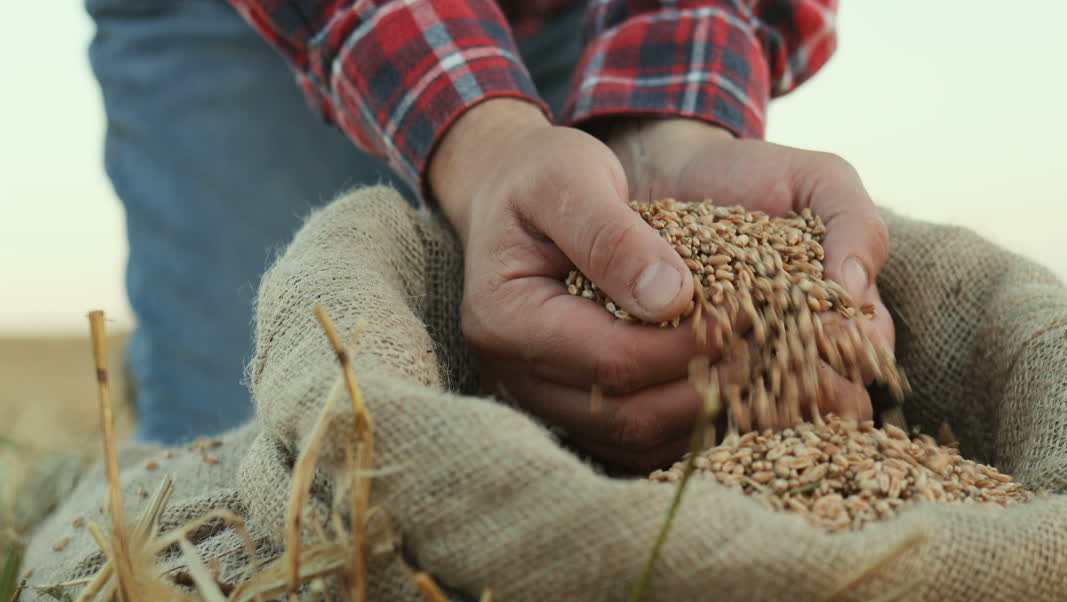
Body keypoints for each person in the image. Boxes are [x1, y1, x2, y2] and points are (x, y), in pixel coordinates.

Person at [87, 0, 893, 469]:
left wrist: (668, 124)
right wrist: (485, 143)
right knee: (233, 450)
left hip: (584, 14)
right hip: (235, 24)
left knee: (582, 406)